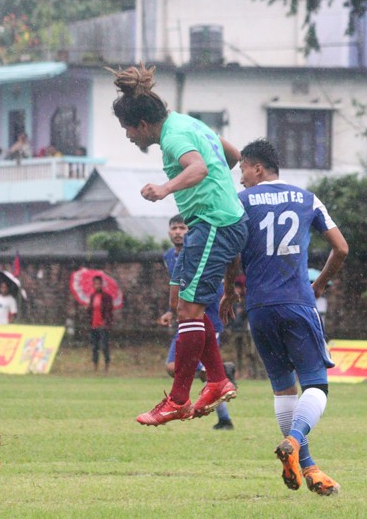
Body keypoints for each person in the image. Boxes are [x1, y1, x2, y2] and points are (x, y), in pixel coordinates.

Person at [109, 63, 248, 426]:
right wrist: (219, 188)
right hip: (218, 220)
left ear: (142, 124)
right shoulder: (190, 123)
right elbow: (232, 156)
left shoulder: (172, 138)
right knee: (192, 310)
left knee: (187, 310)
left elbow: (199, 168)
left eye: (127, 129)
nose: (127, 137)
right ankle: (217, 380)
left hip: (213, 223)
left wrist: (166, 188)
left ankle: (178, 399)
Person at [224, 138, 349, 496]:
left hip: (259, 308)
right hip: (297, 301)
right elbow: (341, 248)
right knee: (316, 385)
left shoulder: (241, 202)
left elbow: (232, 252)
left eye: (244, 169)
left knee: (283, 389)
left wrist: (231, 289)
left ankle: (308, 468)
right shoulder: (307, 198)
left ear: (258, 168)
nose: (242, 178)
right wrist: (320, 284)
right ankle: (294, 441)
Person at [159, 214, 236, 429]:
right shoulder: (169, 256)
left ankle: (224, 418)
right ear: (168, 232)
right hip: (186, 317)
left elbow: (211, 284)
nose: (178, 232)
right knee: (173, 367)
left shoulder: (201, 251)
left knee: (208, 374)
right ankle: (221, 373)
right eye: (174, 228)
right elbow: (178, 286)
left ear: (190, 231)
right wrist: (171, 311)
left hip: (207, 317)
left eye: (182, 228)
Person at [88, 275, 114, 374]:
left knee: (104, 346)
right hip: (94, 325)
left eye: (98, 283)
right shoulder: (92, 296)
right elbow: (91, 311)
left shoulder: (106, 297)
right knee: (94, 347)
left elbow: (109, 311)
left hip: (103, 326)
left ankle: (106, 367)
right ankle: (95, 367)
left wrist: (106, 322)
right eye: (95, 284)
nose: (97, 286)